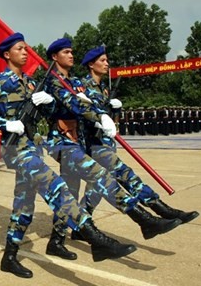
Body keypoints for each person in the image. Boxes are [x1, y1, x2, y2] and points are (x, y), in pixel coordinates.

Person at [0, 33, 136, 279]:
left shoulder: (31, 83)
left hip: (33, 147)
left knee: (23, 205)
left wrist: (49, 103)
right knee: (55, 186)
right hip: (17, 150)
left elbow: (52, 112)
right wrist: (5, 123)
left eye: (26, 48)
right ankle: (93, 236)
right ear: (7, 54)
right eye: (19, 49)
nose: (25, 52)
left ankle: (9, 256)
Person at [42, 39, 182, 260]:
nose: (71, 55)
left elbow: (86, 104)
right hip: (60, 141)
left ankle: (56, 241)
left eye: (72, 51)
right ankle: (144, 219)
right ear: (54, 57)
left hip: (78, 142)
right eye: (66, 52)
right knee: (102, 177)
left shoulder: (75, 82)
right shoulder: (53, 81)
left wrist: (106, 109)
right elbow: (75, 104)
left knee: (69, 192)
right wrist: (99, 115)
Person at [77, 46, 198, 223]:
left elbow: (112, 121)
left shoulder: (103, 88)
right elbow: (82, 115)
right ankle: (160, 208)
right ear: (91, 64)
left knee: (96, 188)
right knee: (125, 174)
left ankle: (82, 224)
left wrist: (115, 110)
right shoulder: (82, 87)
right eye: (102, 60)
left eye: (107, 60)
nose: (107, 63)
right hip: (94, 144)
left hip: (107, 142)